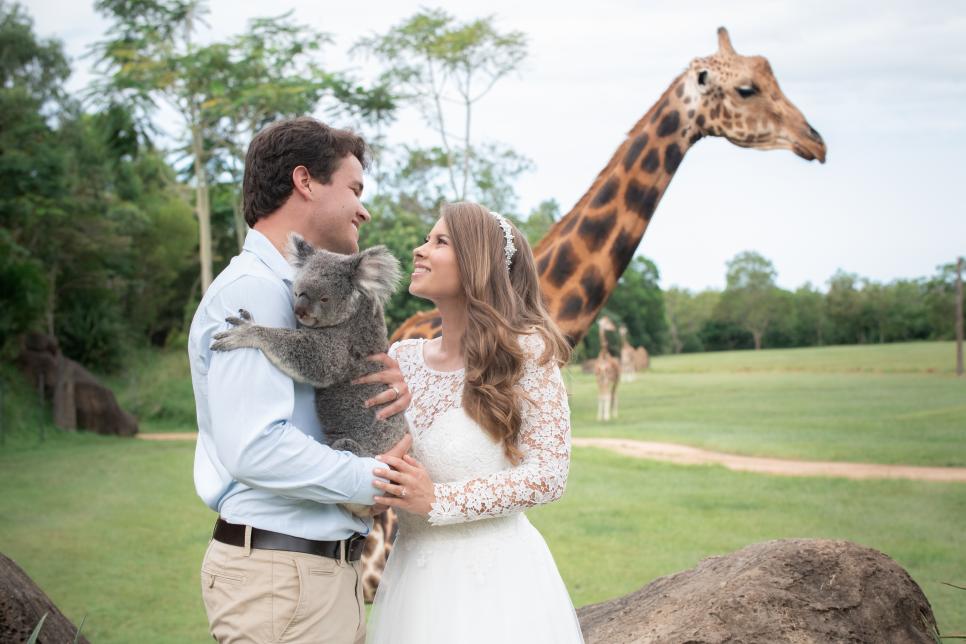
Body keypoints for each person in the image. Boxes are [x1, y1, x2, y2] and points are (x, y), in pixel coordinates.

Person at [188, 117, 412, 644]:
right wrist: (374, 478)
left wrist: (387, 386)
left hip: (308, 575)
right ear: (305, 181)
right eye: (354, 188)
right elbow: (255, 447)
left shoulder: (299, 287)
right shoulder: (257, 293)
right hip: (282, 578)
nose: (365, 207)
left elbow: (332, 375)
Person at [366, 202, 585, 643]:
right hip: (411, 579)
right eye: (427, 239)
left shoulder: (529, 354)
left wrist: (439, 500)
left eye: (439, 241)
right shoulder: (401, 358)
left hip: (497, 587)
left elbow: (548, 475)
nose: (419, 250)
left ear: (475, 263)